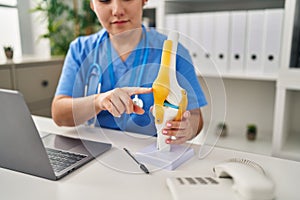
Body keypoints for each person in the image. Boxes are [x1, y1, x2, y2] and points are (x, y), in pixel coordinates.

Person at [52, 0, 207, 145]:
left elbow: (195, 117)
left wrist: (186, 129)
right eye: (104, 0)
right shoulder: (81, 49)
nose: (117, 10)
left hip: (151, 153)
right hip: (98, 150)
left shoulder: (174, 52)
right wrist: (98, 101)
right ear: (92, 4)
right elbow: (59, 114)